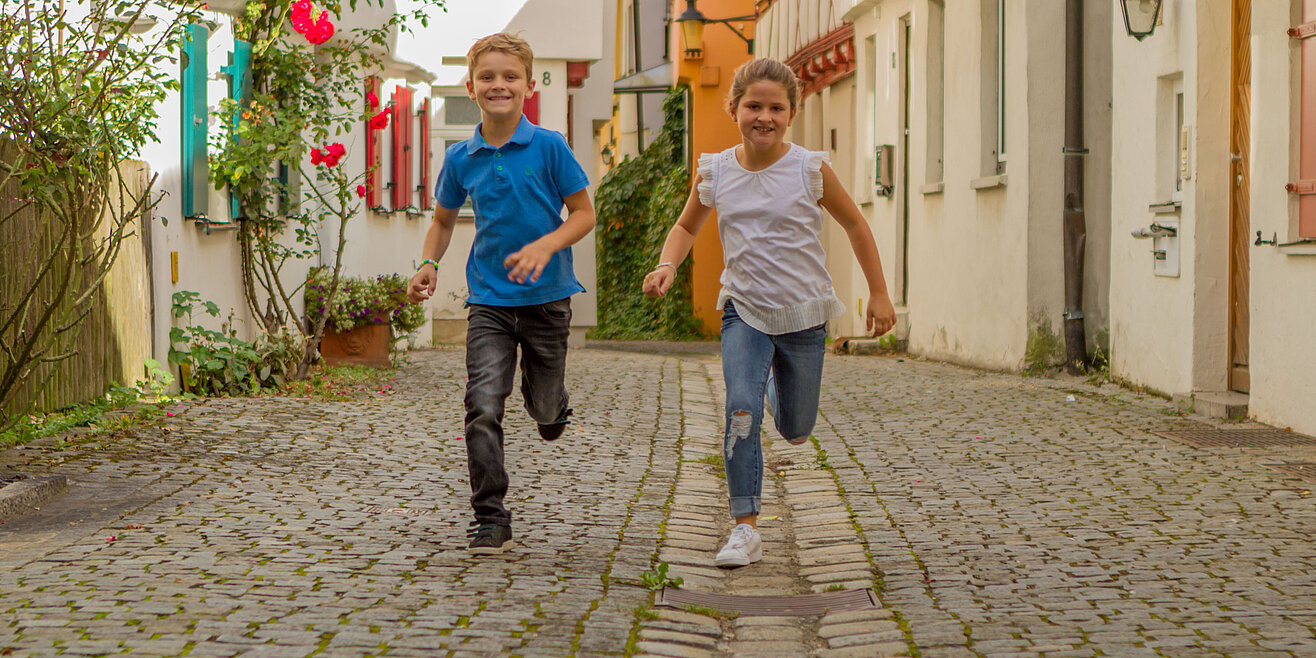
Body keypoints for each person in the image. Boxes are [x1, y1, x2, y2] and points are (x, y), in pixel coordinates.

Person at [642, 58, 896, 568]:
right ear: (733, 108)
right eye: (753, 106)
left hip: (804, 315)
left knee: (797, 429)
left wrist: (880, 294)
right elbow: (687, 227)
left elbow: (856, 227)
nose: (764, 117)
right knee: (740, 409)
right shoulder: (716, 170)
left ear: (792, 112)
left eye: (775, 108)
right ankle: (745, 527)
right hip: (745, 310)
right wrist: (668, 264)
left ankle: (778, 388)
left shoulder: (808, 168)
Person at [408, 33, 596, 555]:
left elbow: (583, 214)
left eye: (510, 76)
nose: (499, 85)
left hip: (548, 298)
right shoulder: (461, 157)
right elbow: (443, 220)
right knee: (482, 406)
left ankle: (553, 404)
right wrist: (428, 263)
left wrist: (545, 245)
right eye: (487, 77)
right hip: (489, 300)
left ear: (529, 86)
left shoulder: (550, 146)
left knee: (540, 411)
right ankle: (491, 516)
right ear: (470, 87)